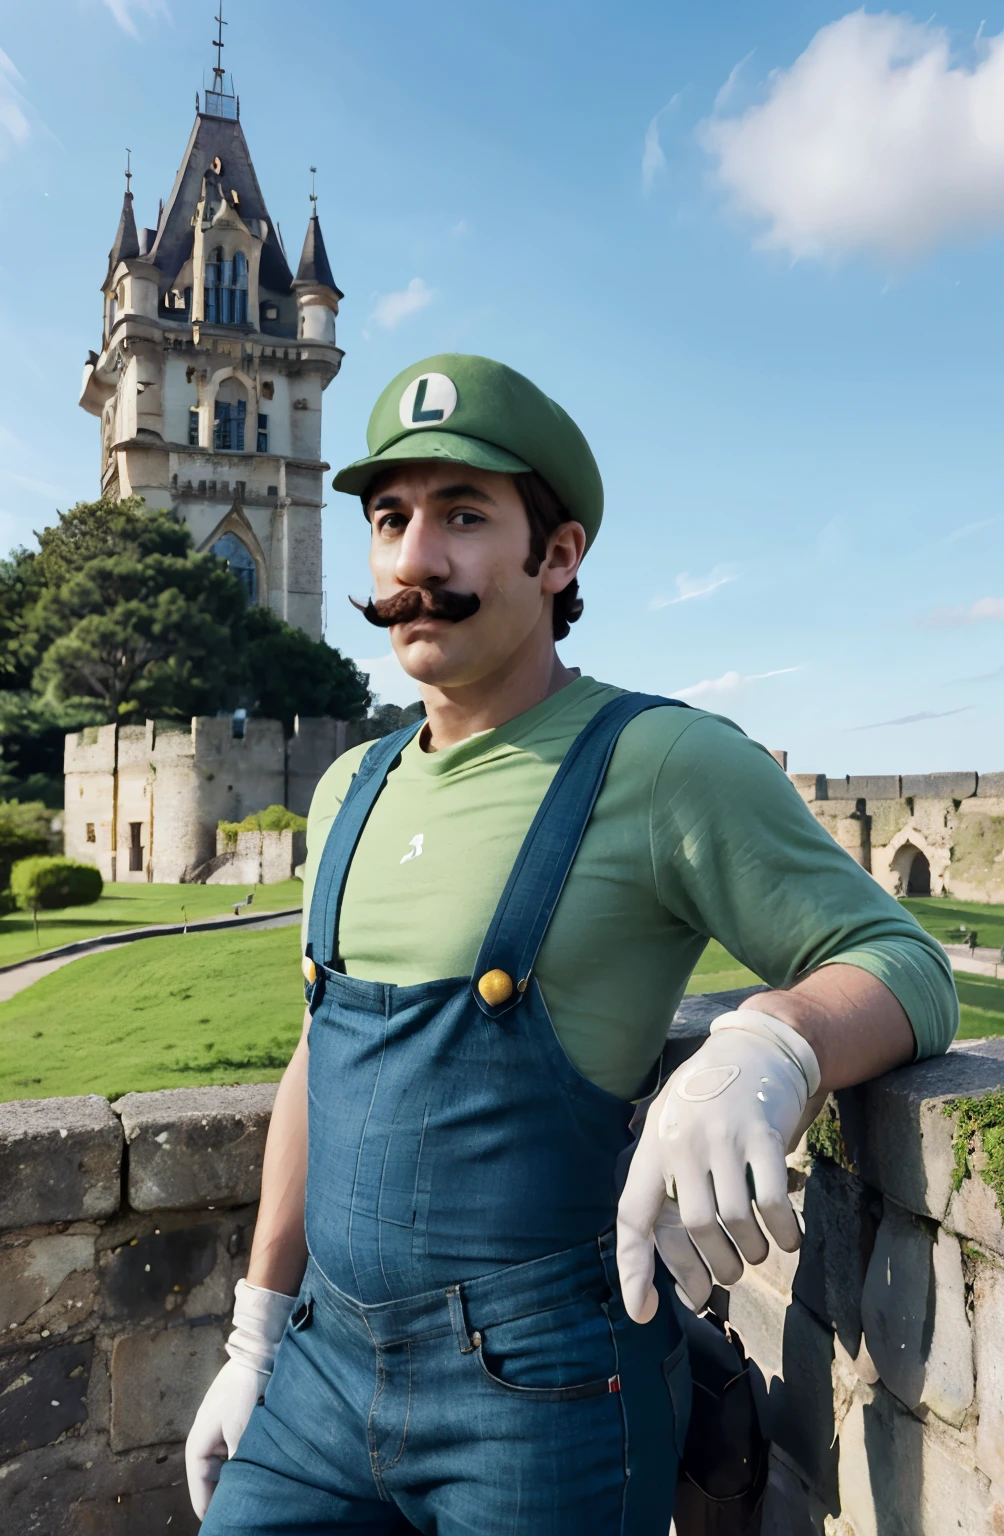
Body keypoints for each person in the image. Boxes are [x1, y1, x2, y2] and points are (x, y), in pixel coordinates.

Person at [187, 354, 957, 1534]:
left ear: (557, 556)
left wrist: (773, 1044)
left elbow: (902, 960)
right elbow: (321, 1058)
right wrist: (254, 1327)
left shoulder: (663, 762)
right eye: (391, 518)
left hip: (545, 1397)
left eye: (461, 516)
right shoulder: (349, 786)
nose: (413, 560)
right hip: (318, 1375)